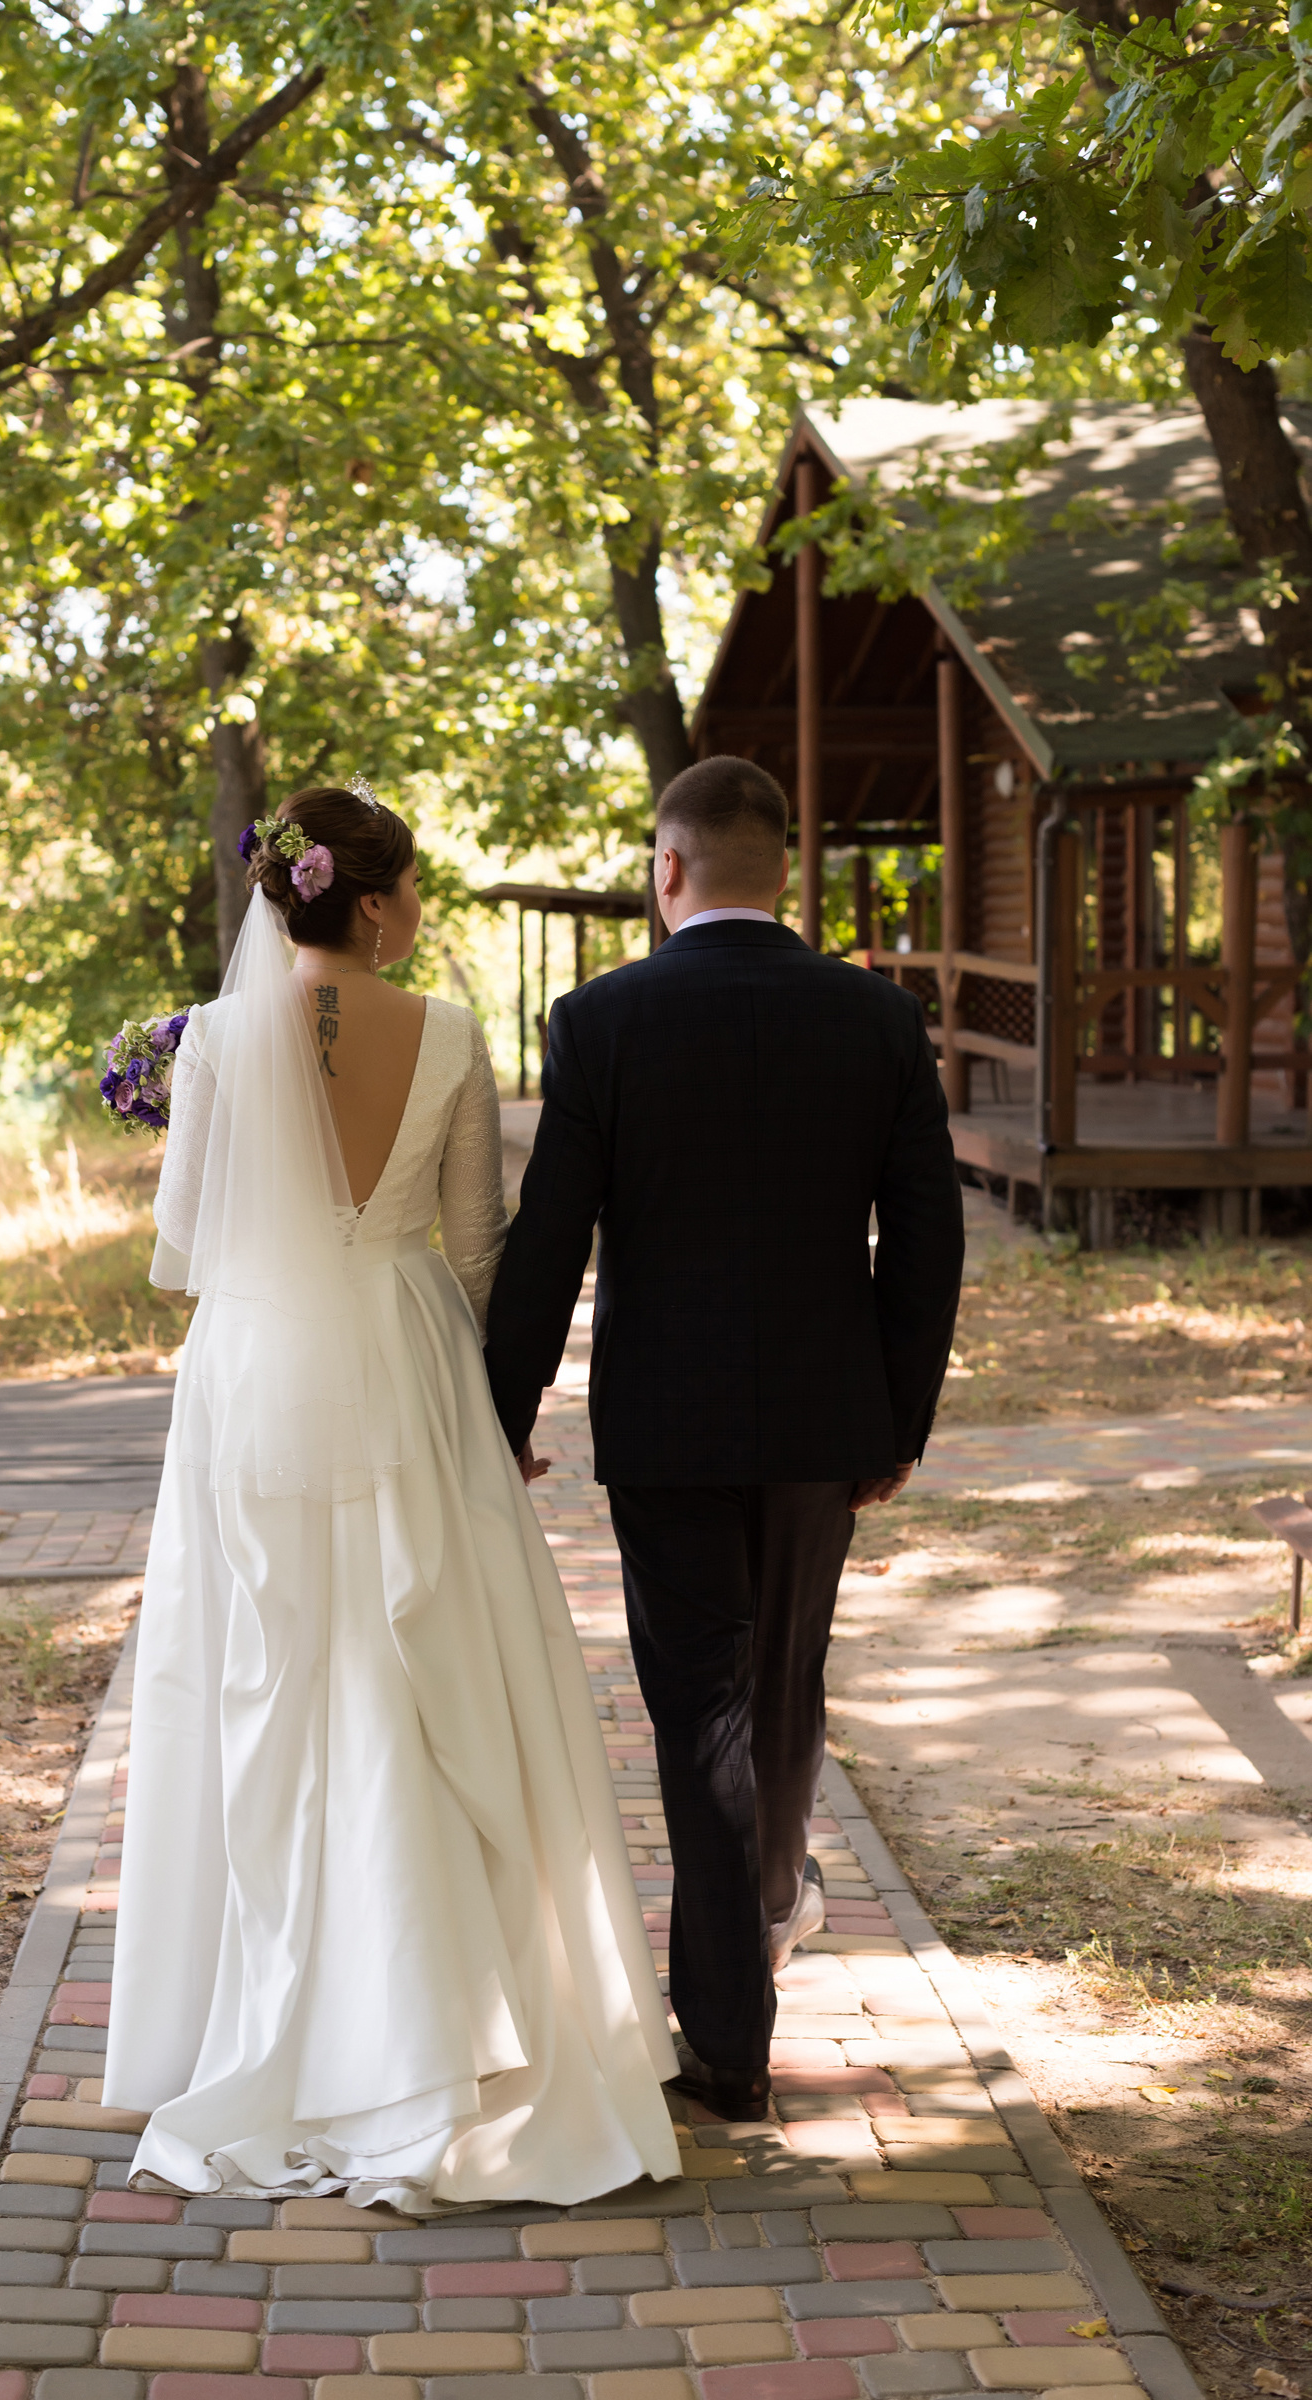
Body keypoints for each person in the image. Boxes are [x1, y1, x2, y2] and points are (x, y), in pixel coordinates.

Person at [102, 785, 679, 2212]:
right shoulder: (454, 1034)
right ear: (369, 903)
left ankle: (282, 2031)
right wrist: (496, 1407)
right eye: (410, 886)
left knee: (277, 1673)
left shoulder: (216, 1042)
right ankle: (454, 2029)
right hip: (411, 1357)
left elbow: (185, 1249)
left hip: (257, 1372)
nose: (419, 906)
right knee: (428, 1673)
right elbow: (479, 1244)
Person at [484, 755, 965, 2124]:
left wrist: (496, 1419)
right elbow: (925, 1236)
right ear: (784, 873)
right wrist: (897, 1416)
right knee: (786, 1676)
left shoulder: (600, 1020)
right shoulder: (873, 1020)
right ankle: (767, 1906)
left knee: (701, 1706)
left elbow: (549, 1244)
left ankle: (726, 2050)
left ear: (667, 869)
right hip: (824, 1419)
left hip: (667, 1421)